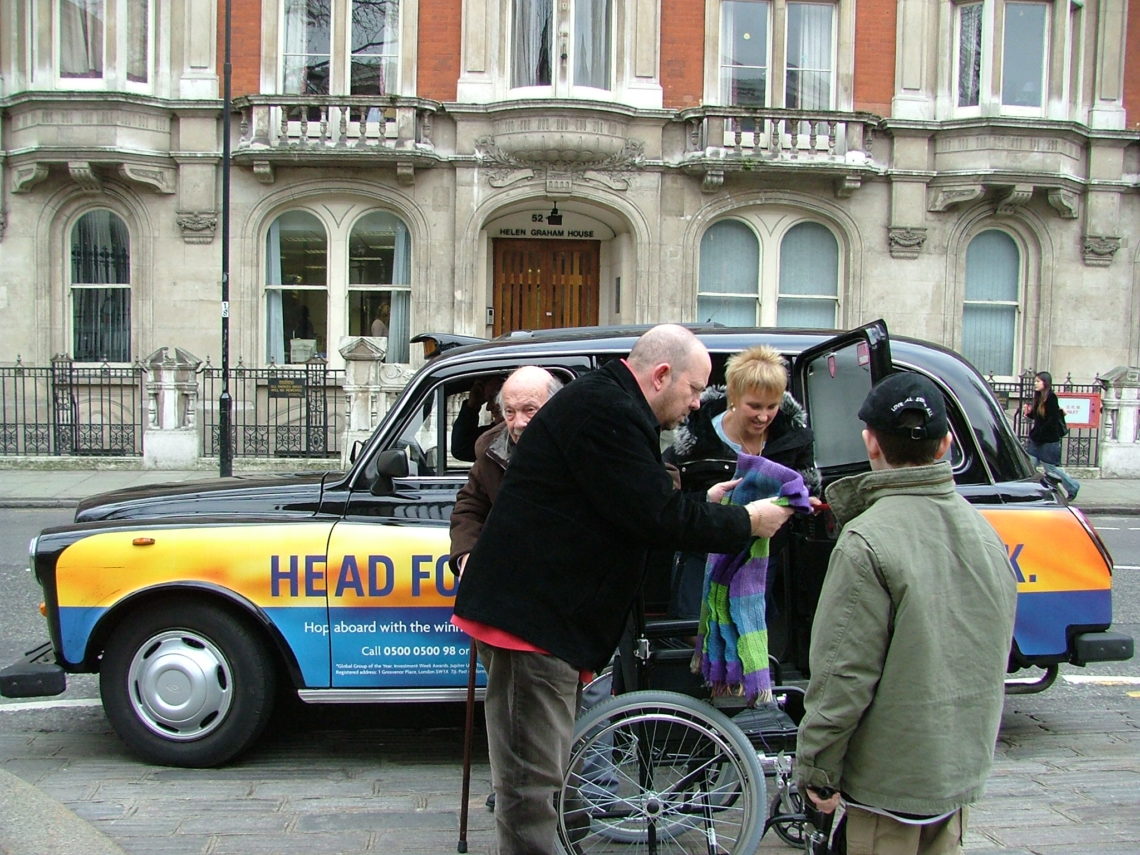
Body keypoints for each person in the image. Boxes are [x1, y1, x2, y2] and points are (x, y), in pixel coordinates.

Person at [451, 324, 796, 855]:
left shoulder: (610, 404)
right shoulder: (606, 410)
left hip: (546, 620)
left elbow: (635, 502)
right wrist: (747, 521)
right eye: (693, 389)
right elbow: (655, 516)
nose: (697, 403)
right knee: (529, 788)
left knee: (545, 774)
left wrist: (703, 504)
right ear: (661, 375)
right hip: (530, 623)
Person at [796, 372, 1017, 855]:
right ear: (946, 446)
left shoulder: (866, 541)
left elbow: (843, 675)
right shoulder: (984, 533)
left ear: (870, 442)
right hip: (954, 776)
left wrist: (817, 770)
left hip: (886, 786)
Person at [663, 344, 819, 621]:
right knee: (694, 630)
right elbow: (667, 501)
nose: (763, 416)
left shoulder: (794, 437)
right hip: (705, 552)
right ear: (733, 397)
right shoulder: (696, 438)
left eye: (772, 406)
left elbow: (807, 488)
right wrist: (707, 499)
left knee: (749, 628)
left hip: (762, 556)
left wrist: (802, 503)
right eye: (754, 406)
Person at [449, 365, 563, 575]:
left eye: (530, 410)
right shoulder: (491, 449)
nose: (518, 423)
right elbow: (470, 506)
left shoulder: (584, 444)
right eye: (510, 411)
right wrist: (467, 555)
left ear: (555, 407)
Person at [1023, 371, 1079, 500]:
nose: (1035, 384)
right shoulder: (1039, 397)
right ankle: (1030, 492)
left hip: (1048, 441)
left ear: (1045, 382)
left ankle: (1073, 486)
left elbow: (1051, 420)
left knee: (1050, 469)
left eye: (1038, 381)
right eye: (1035, 381)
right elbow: (1038, 417)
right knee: (1030, 466)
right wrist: (1028, 413)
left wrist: (1039, 433)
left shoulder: (1051, 398)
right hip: (1037, 440)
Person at [450, 375, 505, 462]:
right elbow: (462, 449)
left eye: (493, 398)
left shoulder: (522, 434)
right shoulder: (499, 433)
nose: (488, 408)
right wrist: (472, 406)